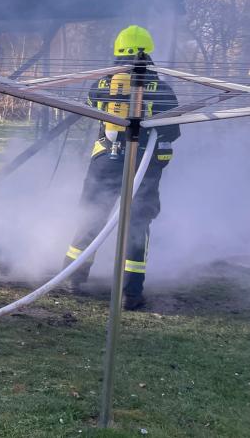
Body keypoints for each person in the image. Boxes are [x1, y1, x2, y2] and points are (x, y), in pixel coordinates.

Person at [62, 25, 181, 310]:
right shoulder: (162, 88)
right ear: (148, 52)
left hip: (105, 160)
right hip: (145, 165)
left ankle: (73, 277)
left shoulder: (101, 84)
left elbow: (92, 106)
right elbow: (173, 130)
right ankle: (131, 292)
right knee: (137, 224)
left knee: (92, 216)